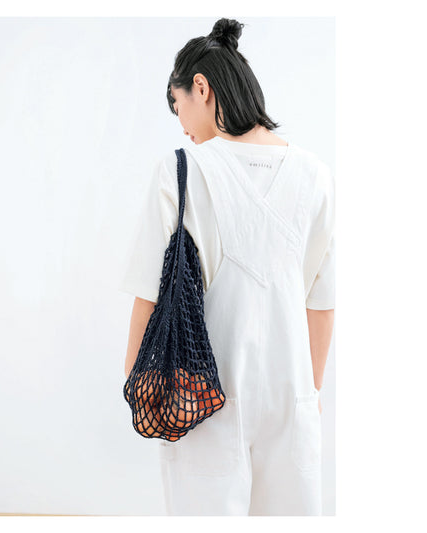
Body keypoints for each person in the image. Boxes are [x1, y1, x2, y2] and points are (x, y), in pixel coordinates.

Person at [119, 17, 335, 516]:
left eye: (178, 107)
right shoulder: (316, 176)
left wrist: (136, 382)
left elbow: (148, 294)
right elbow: (322, 303)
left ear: (201, 87)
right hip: (292, 399)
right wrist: (311, 391)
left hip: (200, 398)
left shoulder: (181, 170)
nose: (182, 126)